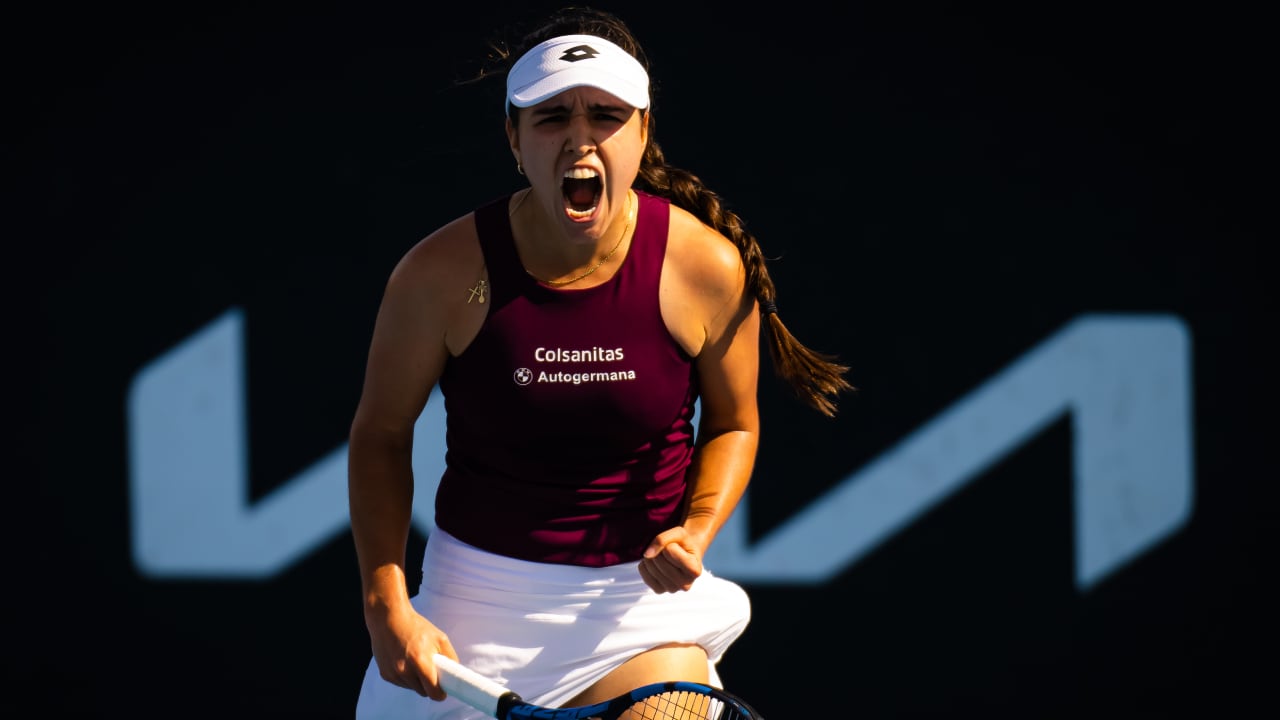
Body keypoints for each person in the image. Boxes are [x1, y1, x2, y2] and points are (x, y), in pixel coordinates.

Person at [348, 6, 853, 718]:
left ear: (643, 133)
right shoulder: (437, 276)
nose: (579, 140)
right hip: (472, 608)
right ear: (513, 139)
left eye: (606, 116)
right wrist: (386, 606)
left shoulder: (704, 266)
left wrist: (697, 528)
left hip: (639, 614)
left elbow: (735, 425)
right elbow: (381, 435)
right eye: (552, 117)